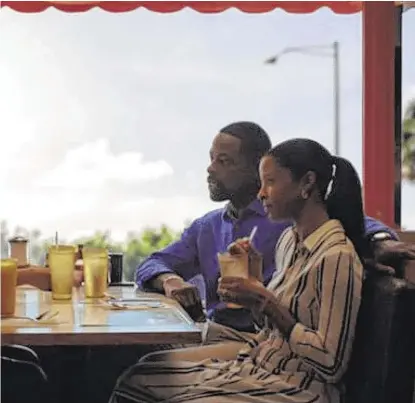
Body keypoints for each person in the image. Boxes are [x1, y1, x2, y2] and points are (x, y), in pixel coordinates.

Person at [109, 138, 367, 403]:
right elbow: (270, 330)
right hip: (260, 363)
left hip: (299, 387)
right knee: (137, 380)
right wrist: (254, 290)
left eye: (271, 182)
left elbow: (331, 365)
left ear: (307, 183)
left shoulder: (336, 256)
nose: (261, 193)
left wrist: (267, 302)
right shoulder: (290, 240)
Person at [136, 121, 412, 337]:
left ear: (257, 168)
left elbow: (354, 222)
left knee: (144, 370)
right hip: (220, 330)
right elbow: (152, 264)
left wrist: (379, 240)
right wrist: (170, 281)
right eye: (211, 159)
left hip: (265, 339)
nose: (210, 169)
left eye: (224, 161)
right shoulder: (206, 227)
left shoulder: (288, 219)